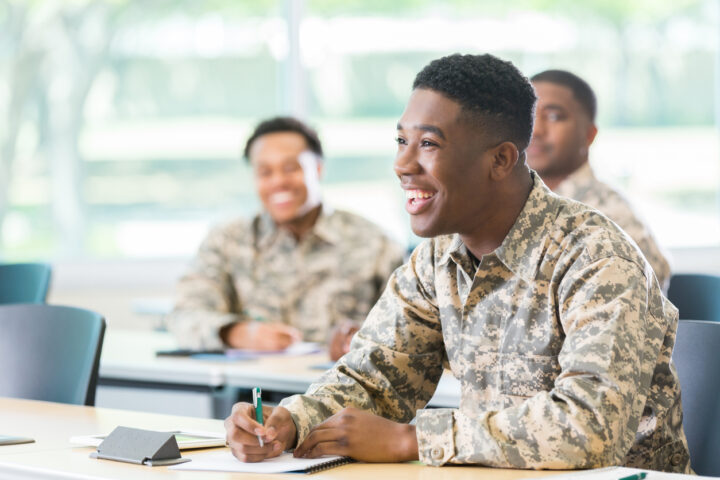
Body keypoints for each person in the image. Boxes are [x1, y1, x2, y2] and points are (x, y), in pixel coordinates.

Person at [224, 54, 690, 473]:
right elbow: (377, 374)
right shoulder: (436, 256)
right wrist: (293, 420)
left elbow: (590, 427)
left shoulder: (595, 256)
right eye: (401, 140)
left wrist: (412, 439)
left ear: (501, 159)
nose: (402, 164)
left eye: (427, 144)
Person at [166, 116, 404, 361]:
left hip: (348, 391)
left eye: (291, 168)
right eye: (265, 172)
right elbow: (184, 315)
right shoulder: (227, 241)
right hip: (253, 392)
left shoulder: (376, 244)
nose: (278, 181)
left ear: (318, 169)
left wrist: (363, 340)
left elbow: (411, 330)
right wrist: (236, 333)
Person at [527, 69, 671, 291]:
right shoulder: (512, 204)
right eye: (528, 115)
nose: (535, 129)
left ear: (589, 135)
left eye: (554, 116)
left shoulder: (613, 217)